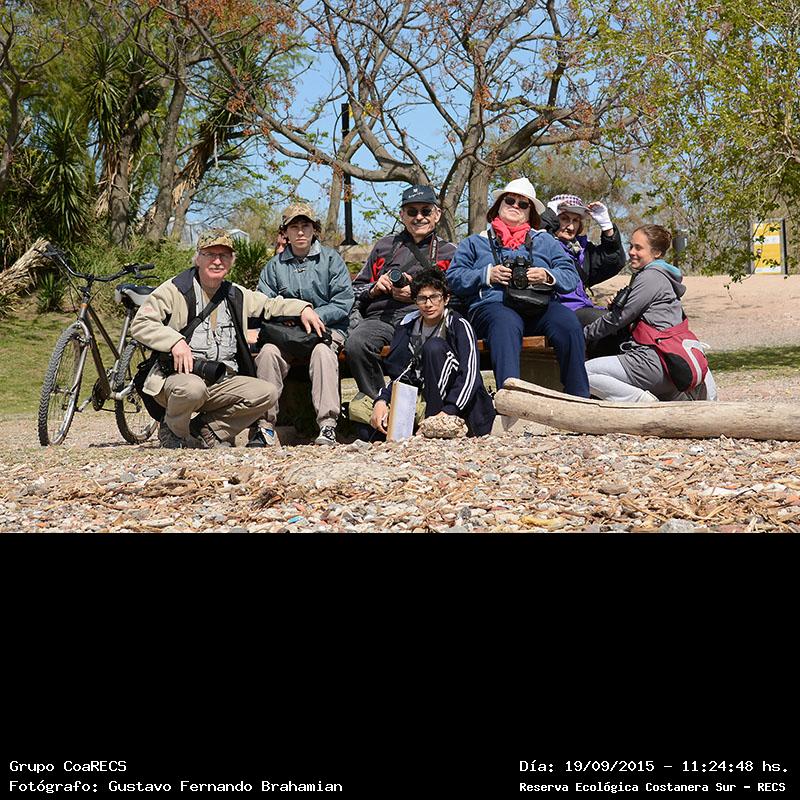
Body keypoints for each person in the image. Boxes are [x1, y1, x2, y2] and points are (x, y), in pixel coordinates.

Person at [130, 228, 324, 448]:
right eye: (210, 254)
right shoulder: (175, 289)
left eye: (224, 255)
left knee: (266, 393)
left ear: (231, 261)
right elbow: (141, 324)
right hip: (178, 380)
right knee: (193, 388)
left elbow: (270, 305)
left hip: (220, 381)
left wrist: (303, 308)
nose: (217, 261)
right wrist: (174, 341)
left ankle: (206, 429)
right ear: (198, 258)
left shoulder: (236, 294)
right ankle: (173, 432)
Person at [446, 177, 590, 397]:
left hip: (538, 306)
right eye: (509, 201)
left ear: (530, 213)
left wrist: (547, 275)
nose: (515, 206)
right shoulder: (475, 242)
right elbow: (453, 278)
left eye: (523, 204)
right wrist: (487, 275)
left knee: (568, 322)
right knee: (506, 322)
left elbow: (570, 276)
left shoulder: (545, 241)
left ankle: (579, 397)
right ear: (498, 206)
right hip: (494, 306)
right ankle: (511, 399)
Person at [250, 202, 354, 447]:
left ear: (314, 229)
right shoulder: (274, 267)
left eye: (305, 226)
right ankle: (265, 426)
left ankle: (328, 425)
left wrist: (315, 316)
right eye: (293, 227)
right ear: (284, 232)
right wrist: (296, 315)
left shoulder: (331, 260)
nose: (299, 232)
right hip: (286, 334)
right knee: (267, 353)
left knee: (323, 354)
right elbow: (262, 304)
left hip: (326, 331)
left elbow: (343, 302)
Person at [347, 184, 456, 405]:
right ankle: (379, 404)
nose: (419, 217)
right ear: (402, 215)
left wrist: (418, 294)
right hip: (382, 318)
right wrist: (375, 287)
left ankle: (422, 407)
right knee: (356, 343)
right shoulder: (384, 246)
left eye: (426, 211)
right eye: (412, 211)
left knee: (421, 345)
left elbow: (457, 295)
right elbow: (354, 290)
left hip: (424, 318)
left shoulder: (450, 252)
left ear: (437, 214)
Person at [583, 224, 717, 402]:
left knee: (583, 373)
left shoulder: (650, 277)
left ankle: (641, 401)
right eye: (631, 246)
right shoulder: (664, 276)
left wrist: (583, 335)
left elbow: (618, 319)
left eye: (638, 248)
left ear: (657, 253)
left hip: (652, 361)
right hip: (672, 365)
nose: (631, 252)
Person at [369, 269, 495, 439]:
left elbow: (470, 375)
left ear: (446, 298)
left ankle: (435, 423)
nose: (428, 304)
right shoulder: (408, 327)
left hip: (464, 410)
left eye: (434, 297)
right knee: (369, 432)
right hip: (424, 399)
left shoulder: (459, 325)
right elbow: (403, 374)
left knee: (433, 347)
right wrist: (382, 400)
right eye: (422, 298)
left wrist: (448, 411)